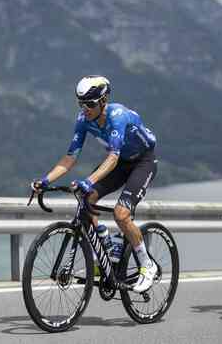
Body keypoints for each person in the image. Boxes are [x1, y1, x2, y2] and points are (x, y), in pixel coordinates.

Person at [31, 75, 158, 292]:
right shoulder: (83, 120)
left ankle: (147, 265)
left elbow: (113, 156)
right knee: (86, 199)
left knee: (121, 214)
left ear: (103, 100)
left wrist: (88, 180)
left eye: (89, 104)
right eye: (81, 104)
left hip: (142, 162)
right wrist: (44, 180)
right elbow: (70, 158)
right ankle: (105, 243)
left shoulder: (117, 116)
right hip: (118, 164)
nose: (85, 109)